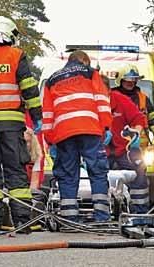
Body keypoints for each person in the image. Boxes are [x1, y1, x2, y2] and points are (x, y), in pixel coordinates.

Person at [42, 50, 112, 222]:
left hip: (63, 132)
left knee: (67, 173)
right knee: (97, 171)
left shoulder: (51, 80)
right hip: (89, 128)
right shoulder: (90, 73)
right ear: (83, 60)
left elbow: (47, 113)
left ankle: (69, 218)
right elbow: (102, 102)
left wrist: (50, 138)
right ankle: (101, 217)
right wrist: (105, 127)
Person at [0, 16, 42, 233]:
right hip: (11, 124)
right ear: (10, 34)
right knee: (15, 170)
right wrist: (37, 115)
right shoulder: (16, 55)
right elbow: (29, 88)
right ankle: (22, 221)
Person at [101, 75, 150, 213]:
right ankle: (101, 211)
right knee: (95, 176)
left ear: (108, 91)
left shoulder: (121, 100)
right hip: (101, 149)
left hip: (124, 148)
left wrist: (136, 133)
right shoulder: (89, 103)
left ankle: (140, 211)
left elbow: (139, 118)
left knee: (139, 168)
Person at [113, 64, 154, 148]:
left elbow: (153, 120)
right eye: (128, 80)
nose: (131, 83)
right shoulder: (112, 97)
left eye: (133, 80)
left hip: (140, 149)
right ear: (121, 80)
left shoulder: (143, 98)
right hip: (117, 147)